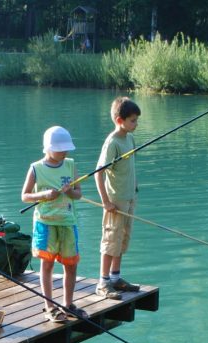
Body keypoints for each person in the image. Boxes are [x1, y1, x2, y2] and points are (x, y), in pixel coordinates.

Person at [21, 126, 88, 323]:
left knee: (71, 264)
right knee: (47, 263)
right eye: (61, 149)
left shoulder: (70, 165)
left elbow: (78, 194)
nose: (65, 152)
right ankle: (49, 306)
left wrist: (69, 192)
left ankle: (68, 304)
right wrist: (43, 195)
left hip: (68, 222)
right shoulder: (36, 168)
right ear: (48, 148)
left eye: (66, 149)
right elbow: (25, 196)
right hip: (46, 223)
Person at [94, 96, 142, 300]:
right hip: (115, 201)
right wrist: (106, 201)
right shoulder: (112, 142)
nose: (136, 124)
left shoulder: (130, 138)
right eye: (132, 120)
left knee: (122, 239)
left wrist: (135, 185)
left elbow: (130, 166)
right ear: (118, 119)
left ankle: (116, 278)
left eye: (136, 120)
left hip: (130, 197)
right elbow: (99, 172)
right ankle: (103, 282)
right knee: (111, 240)